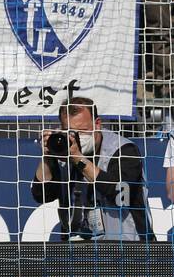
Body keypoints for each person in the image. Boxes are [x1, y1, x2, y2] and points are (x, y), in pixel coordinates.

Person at [31, 96, 153, 241]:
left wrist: (78, 159)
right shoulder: (63, 151)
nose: (76, 137)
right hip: (79, 250)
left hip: (128, 248)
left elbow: (121, 194)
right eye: (70, 131)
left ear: (97, 124)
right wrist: (47, 156)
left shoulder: (123, 150)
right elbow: (41, 195)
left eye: (82, 131)